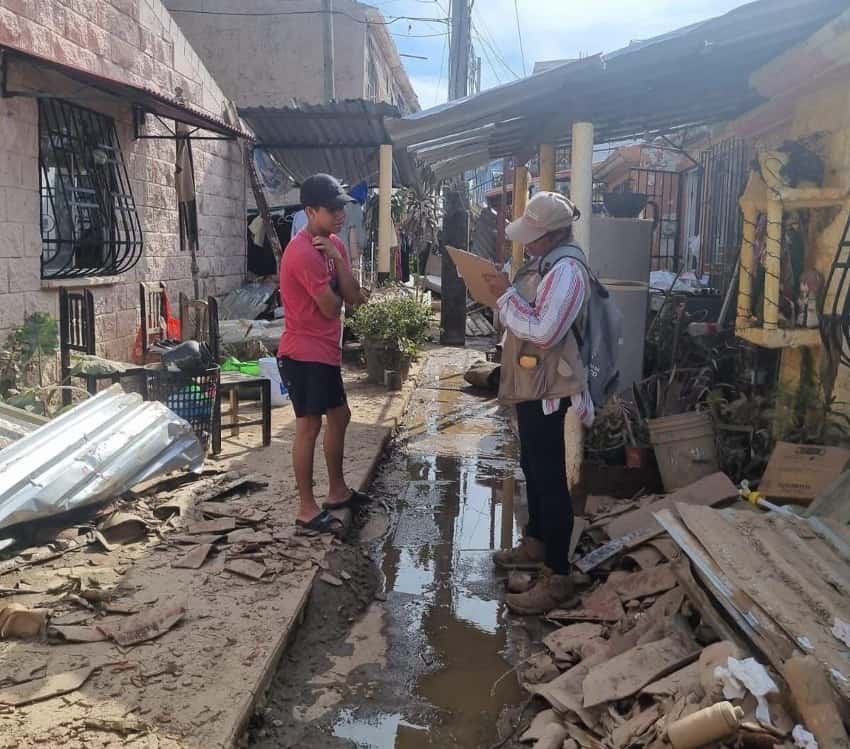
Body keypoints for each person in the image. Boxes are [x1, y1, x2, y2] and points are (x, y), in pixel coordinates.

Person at [485, 191, 595, 616]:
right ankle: (535, 543)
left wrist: (506, 300)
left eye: (532, 236)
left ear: (551, 235)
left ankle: (558, 574)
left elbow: (545, 331)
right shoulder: (546, 264)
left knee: (550, 478)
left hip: (552, 389)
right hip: (534, 384)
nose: (526, 243)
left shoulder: (567, 270)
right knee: (532, 465)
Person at [277, 174, 370, 537]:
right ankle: (306, 508)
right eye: (331, 209)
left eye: (341, 208)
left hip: (325, 352)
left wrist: (338, 258)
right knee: (309, 426)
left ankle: (337, 490)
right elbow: (333, 308)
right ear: (310, 210)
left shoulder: (333, 247)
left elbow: (353, 297)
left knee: (341, 416)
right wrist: (334, 267)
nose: (339, 215)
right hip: (302, 354)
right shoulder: (301, 252)